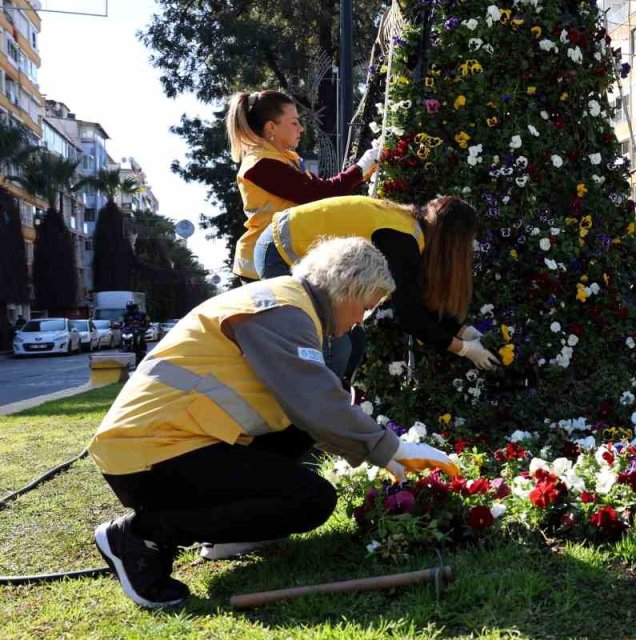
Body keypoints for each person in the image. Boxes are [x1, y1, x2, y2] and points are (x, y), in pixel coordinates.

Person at [89, 237, 458, 609]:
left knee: (298, 432)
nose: (360, 321)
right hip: (151, 457)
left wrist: (380, 451)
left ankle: (225, 534)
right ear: (346, 286)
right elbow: (314, 398)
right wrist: (391, 449)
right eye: (364, 307)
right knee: (311, 500)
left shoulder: (288, 302)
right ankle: (138, 538)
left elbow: (309, 407)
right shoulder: (282, 309)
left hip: (167, 444)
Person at [253, 194, 498, 383]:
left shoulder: (410, 231)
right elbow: (410, 315)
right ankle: (312, 421)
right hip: (281, 251)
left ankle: (323, 414)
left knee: (353, 341)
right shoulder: (401, 239)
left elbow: (413, 297)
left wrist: (463, 331)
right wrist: (464, 349)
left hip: (288, 247)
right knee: (336, 347)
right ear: (451, 241)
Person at [225, 89, 381, 281]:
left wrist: (364, 169)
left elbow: (323, 191)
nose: (301, 128)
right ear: (271, 127)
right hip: (266, 260)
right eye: (294, 122)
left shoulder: (285, 157)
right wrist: (362, 166)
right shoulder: (261, 165)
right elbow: (321, 194)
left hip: (281, 254)